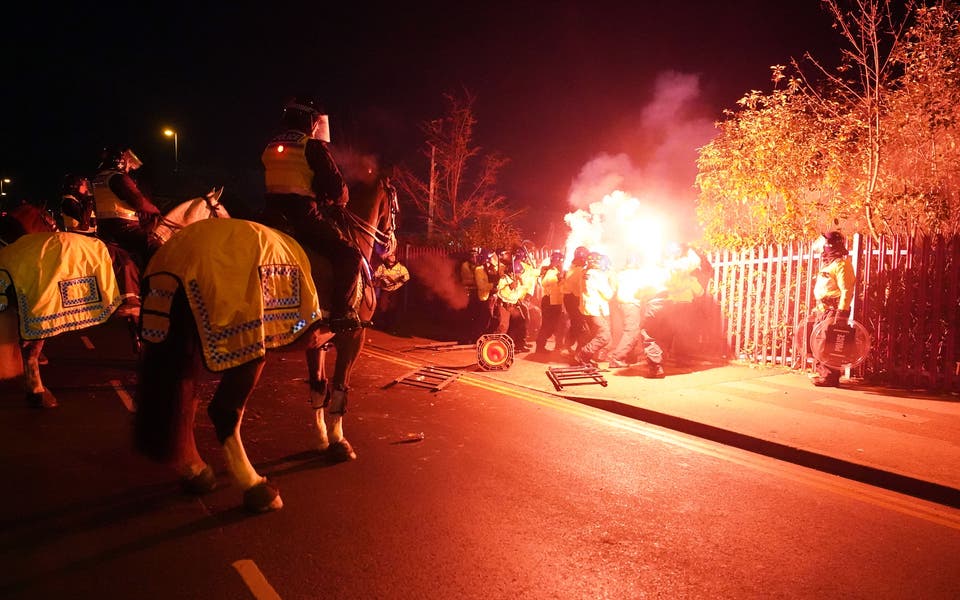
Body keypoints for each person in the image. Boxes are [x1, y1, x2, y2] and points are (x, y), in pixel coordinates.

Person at [260, 98, 360, 333]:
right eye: (315, 123)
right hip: (301, 217)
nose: (316, 127)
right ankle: (340, 313)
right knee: (349, 255)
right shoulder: (310, 146)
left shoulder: (271, 145)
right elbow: (337, 188)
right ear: (310, 122)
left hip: (269, 215)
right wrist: (337, 198)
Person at [62, 174, 141, 317]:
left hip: (91, 238)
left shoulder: (81, 201)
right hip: (80, 239)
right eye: (83, 185)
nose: (87, 188)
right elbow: (84, 223)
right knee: (121, 257)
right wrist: (89, 201)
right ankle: (129, 297)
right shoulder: (68, 201)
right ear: (74, 186)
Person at [92, 147, 163, 268]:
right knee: (155, 247)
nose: (129, 168)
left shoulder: (97, 179)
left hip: (103, 229)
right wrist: (155, 210)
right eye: (128, 165)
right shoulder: (118, 178)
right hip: (125, 228)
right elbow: (139, 202)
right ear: (120, 162)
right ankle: (152, 280)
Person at [607, 257, 667, 378]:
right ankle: (617, 358)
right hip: (631, 303)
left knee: (632, 330)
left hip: (623, 303)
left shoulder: (621, 274)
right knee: (632, 331)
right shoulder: (638, 274)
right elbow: (645, 289)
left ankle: (627, 357)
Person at [811, 230, 856, 387]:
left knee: (830, 342)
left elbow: (846, 290)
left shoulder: (842, 265)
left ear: (829, 245)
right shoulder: (829, 264)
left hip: (834, 309)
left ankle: (830, 378)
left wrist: (841, 313)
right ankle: (824, 374)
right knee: (820, 342)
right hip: (823, 309)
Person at [575, 252, 615, 366]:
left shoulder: (584, 273)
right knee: (604, 336)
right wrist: (611, 284)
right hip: (595, 310)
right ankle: (582, 354)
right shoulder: (597, 275)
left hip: (586, 309)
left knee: (591, 335)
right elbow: (608, 294)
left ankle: (584, 358)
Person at [560, 246, 589, 355]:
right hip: (573, 299)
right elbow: (578, 289)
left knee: (575, 324)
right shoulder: (578, 271)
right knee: (579, 325)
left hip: (569, 298)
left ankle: (567, 346)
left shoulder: (572, 268)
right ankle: (578, 351)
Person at [535, 250, 565, 354]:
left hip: (556, 301)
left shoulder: (555, 271)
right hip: (549, 301)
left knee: (553, 325)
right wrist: (559, 279)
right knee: (547, 325)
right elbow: (545, 283)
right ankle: (539, 347)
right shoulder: (551, 271)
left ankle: (542, 345)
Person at [372, 251, 410, 333]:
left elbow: (407, 276)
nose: (391, 257)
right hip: (384, 290)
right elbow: (375, 275)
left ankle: (391, 326)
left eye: (392, 256)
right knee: (383, 307)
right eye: (389, 256)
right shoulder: (382, 267)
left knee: (393, 308)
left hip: (395, 290)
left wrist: (398, 281)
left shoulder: (400, 267)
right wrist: (381, 280)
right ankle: (382, 325)